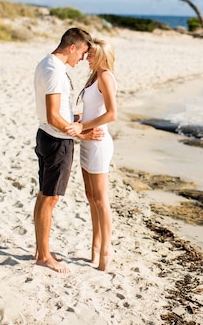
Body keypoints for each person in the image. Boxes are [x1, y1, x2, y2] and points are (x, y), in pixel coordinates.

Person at [33, 27, 102, 273]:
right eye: (82, 52)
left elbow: (56, 111)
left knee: (44, 195)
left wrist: (74, 116)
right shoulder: (54, 70)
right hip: (56, 141)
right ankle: (43, 256)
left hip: (46, 136)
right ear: (72, 47)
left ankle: (41, 249)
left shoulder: (47, 64)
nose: (82, 59)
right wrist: (83, 133)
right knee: (50, 198)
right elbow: (53, 116)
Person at [67, 38, 117, 271]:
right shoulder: (94, 77)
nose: (87, 57)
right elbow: (91, 110)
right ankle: (95, 246)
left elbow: (111, 114)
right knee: (90, 196)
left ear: (102, 56)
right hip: (87, 141)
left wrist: (82, 127)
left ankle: (105, 252)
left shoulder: (105, 76)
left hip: (97, 142)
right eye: (87, 54)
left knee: (101, 200)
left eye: (91, 55)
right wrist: (78, 120)